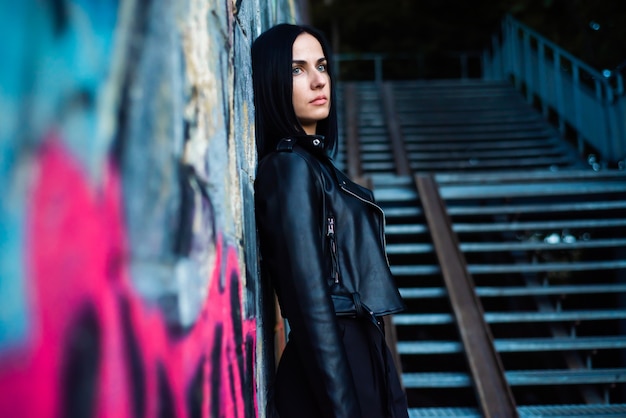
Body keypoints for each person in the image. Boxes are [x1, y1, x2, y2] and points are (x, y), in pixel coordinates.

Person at [252, 23, 409, 418]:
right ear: (272, 80)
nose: (318, 80)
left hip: (358, 351)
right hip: (332, 361)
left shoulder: (315, 167)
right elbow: (309, 303)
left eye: (321, 66)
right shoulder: (288, 167)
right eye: (297, 69)